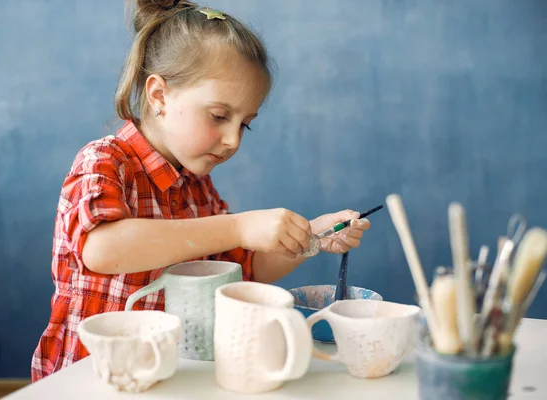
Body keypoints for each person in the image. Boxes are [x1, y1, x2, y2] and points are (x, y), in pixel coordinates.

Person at [31, 0, 371, 381]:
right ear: (159, 96)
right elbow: (103, 250)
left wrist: (313, 235)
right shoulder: (104, 162)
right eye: (219, 116)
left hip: (172, 376)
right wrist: (237, 227)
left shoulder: (197, 187)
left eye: (245, 124)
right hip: (91, 377)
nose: (232, 140)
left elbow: (248, 269)